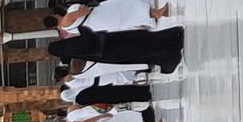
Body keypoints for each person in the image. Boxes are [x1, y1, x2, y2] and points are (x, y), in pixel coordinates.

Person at [49, 28, 185, 73]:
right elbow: (88, 36)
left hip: (112, 53)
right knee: (143, 39)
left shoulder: (70, 54)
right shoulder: (72, 42)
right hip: (111, 40)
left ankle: (169, 53)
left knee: (142, 51)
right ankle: (172, 37)